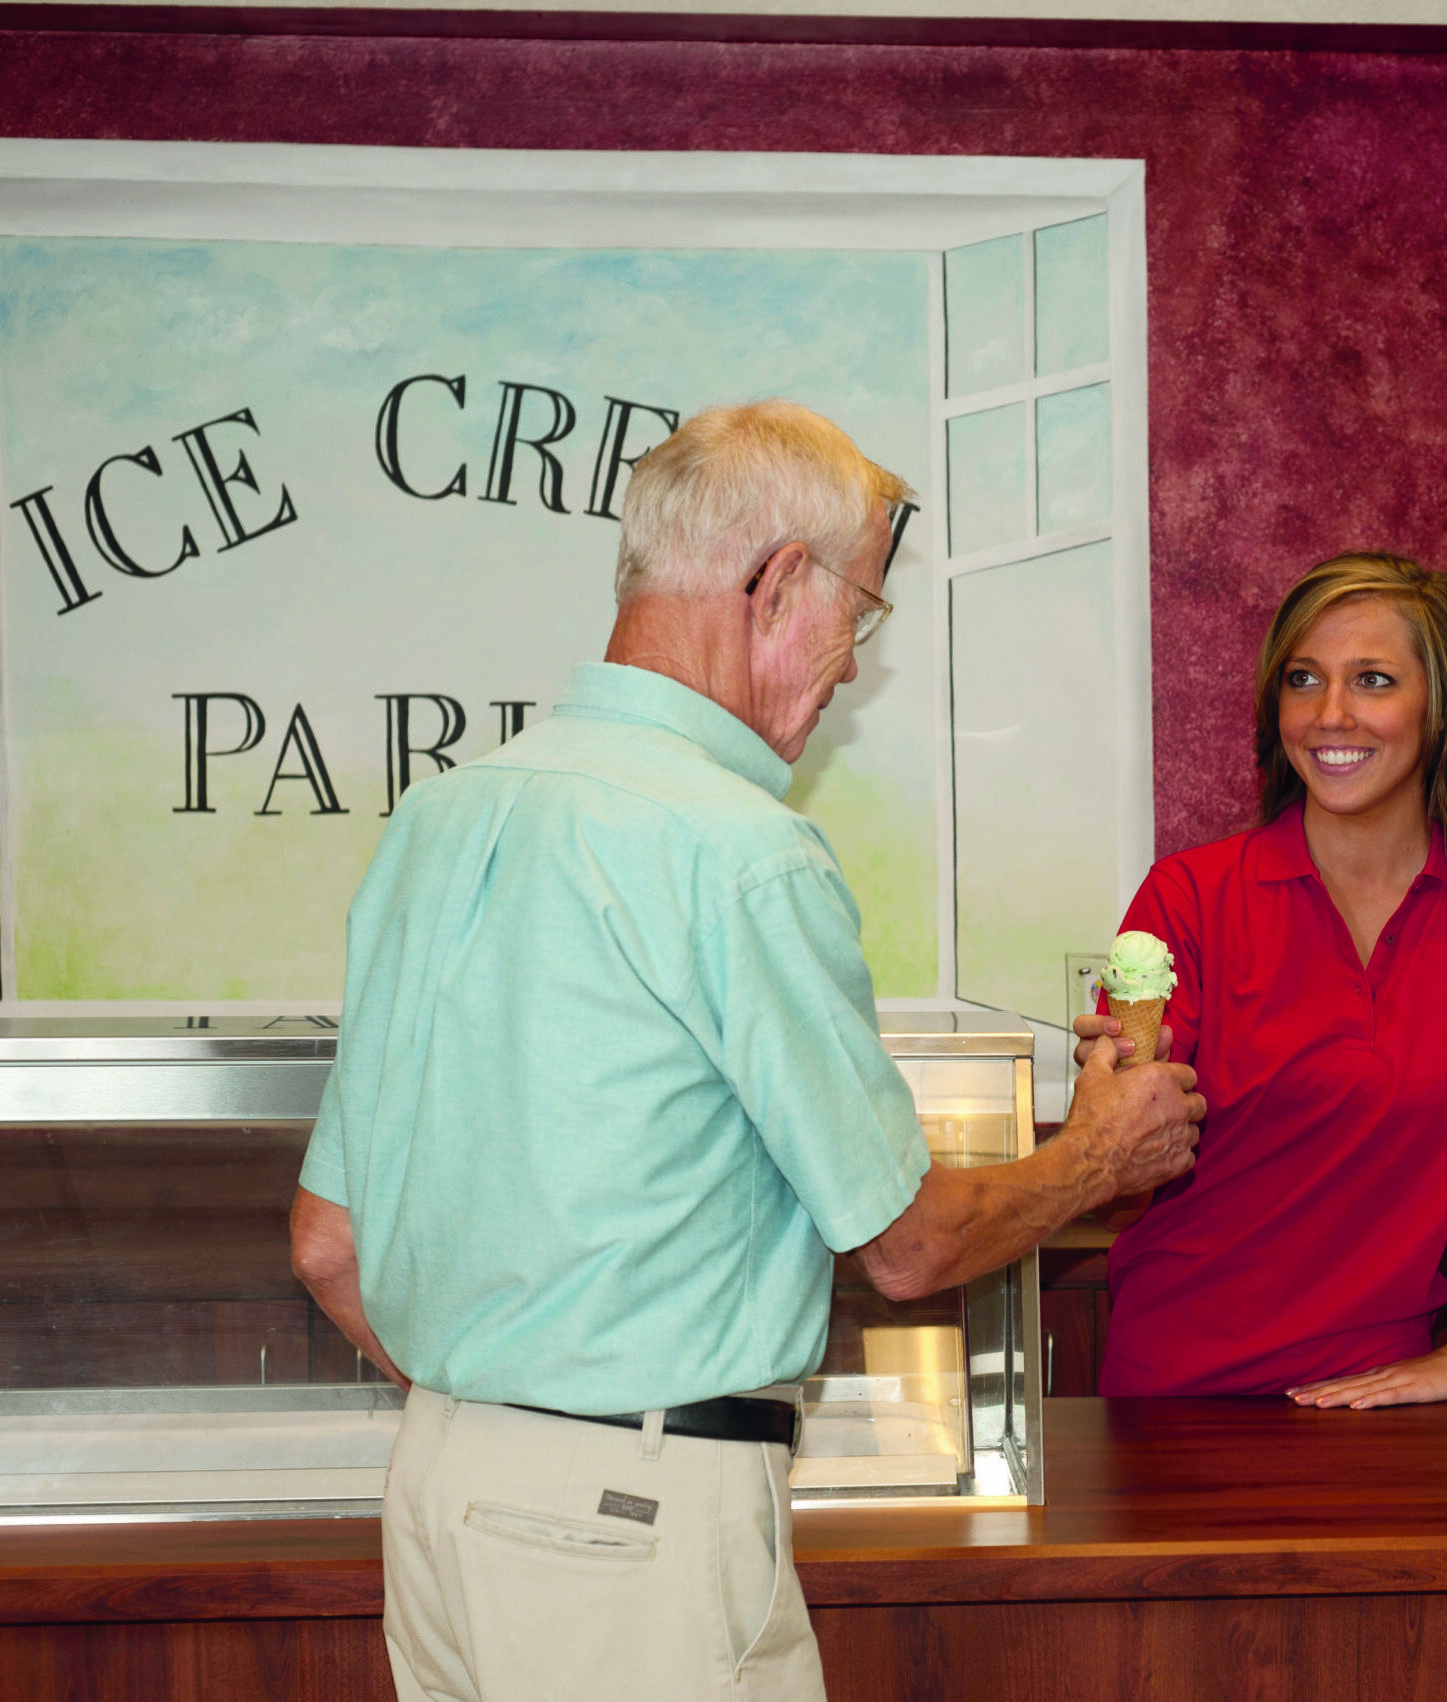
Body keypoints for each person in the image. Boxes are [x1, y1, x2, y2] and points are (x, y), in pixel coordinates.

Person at [289, 400, 1205, 1702]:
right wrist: (1097, 1155)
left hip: (439, 1494)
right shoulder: (737, 849)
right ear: (776, 581)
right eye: (861, 614)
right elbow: (910, 1244)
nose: (848, 669)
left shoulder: (437, 817)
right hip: (631, 1517)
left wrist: (507, 1421)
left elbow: (329, 1246)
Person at [1074, 552, 1447, 1402]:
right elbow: (1114, 1209)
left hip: (1387, 1412)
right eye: (1303, 679)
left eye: (1372, 680)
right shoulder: (1187, 900)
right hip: (1177, 1406)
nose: (1328, 715)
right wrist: (1105, 1137)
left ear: (1443, 707)